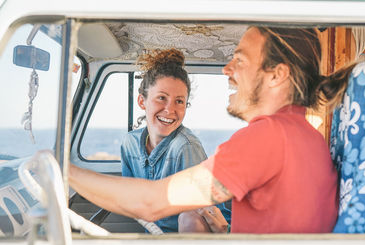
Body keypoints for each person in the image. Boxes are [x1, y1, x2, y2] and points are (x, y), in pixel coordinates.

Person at [69, 26, 339, 233]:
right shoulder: (302, 134)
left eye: (240, 61)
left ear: (277, 75)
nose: (226, 70)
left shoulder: (269, 137)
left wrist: (62, 171)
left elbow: (151, 204)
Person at [120, 48, 230, 233]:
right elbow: (131, 199)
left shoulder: (185, 147)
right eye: (161, 98)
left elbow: (203, 217)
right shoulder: (129, 144)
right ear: (142, 101)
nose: (170, 110)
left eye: (179, 101)